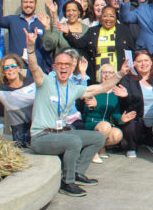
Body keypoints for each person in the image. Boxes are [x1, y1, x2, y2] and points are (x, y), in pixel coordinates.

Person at [24, 27, 120, 197]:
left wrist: (120, 74)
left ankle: (76, 172)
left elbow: (102, 87)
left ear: (71, 67)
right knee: (73, 141)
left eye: (67, 65)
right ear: (54, 67)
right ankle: (67, 182)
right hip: (42, 137)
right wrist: (31, 49)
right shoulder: (45, 82)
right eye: (59, 64)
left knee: (97, 138)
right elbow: (34, 67)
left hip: (61, 133)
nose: (63, 68)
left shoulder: (73, 88)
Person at [62, 6, 135, 82]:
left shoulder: (124, 30)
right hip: (97, 76)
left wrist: (130, 70)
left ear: (116, 18)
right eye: (105, 16)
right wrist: (68, 33)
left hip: (119, 76)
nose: (108, 19)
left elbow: (131, 51)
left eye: (112, 16)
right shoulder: (92, 31)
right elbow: (79, 44)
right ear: (100, 17)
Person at [81, 64, 131, 164]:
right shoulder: (94, 88)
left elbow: (115, 113)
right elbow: (85, 110)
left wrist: (122, 118)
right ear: (100, 75)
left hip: (106, 125)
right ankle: (93, 152)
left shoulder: (115, 93)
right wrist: (93, 106)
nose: (107, 75)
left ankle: (101, 147)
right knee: (105, 126)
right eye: (104, 72)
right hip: (91, 123)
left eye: (110, 72)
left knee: (117, 134)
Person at [117, 50, 153, 158]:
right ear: (134, 64)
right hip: (138, 121)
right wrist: (126, 96)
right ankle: (132, 146)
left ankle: (151, 143)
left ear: (151, 62)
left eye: (146, 60)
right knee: (130, 123)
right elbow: (124, 105)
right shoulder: (128, 79)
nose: (143, 64)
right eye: (139, 61)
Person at [0, 0, 50, 71]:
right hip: (16, 68)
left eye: (31, 2)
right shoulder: (12, 20)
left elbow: (48, 46)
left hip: (36, 68)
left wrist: (47, 27)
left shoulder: (42, 22)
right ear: (21, 4)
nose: (28, 5)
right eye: (25, 2)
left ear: (35, 4)